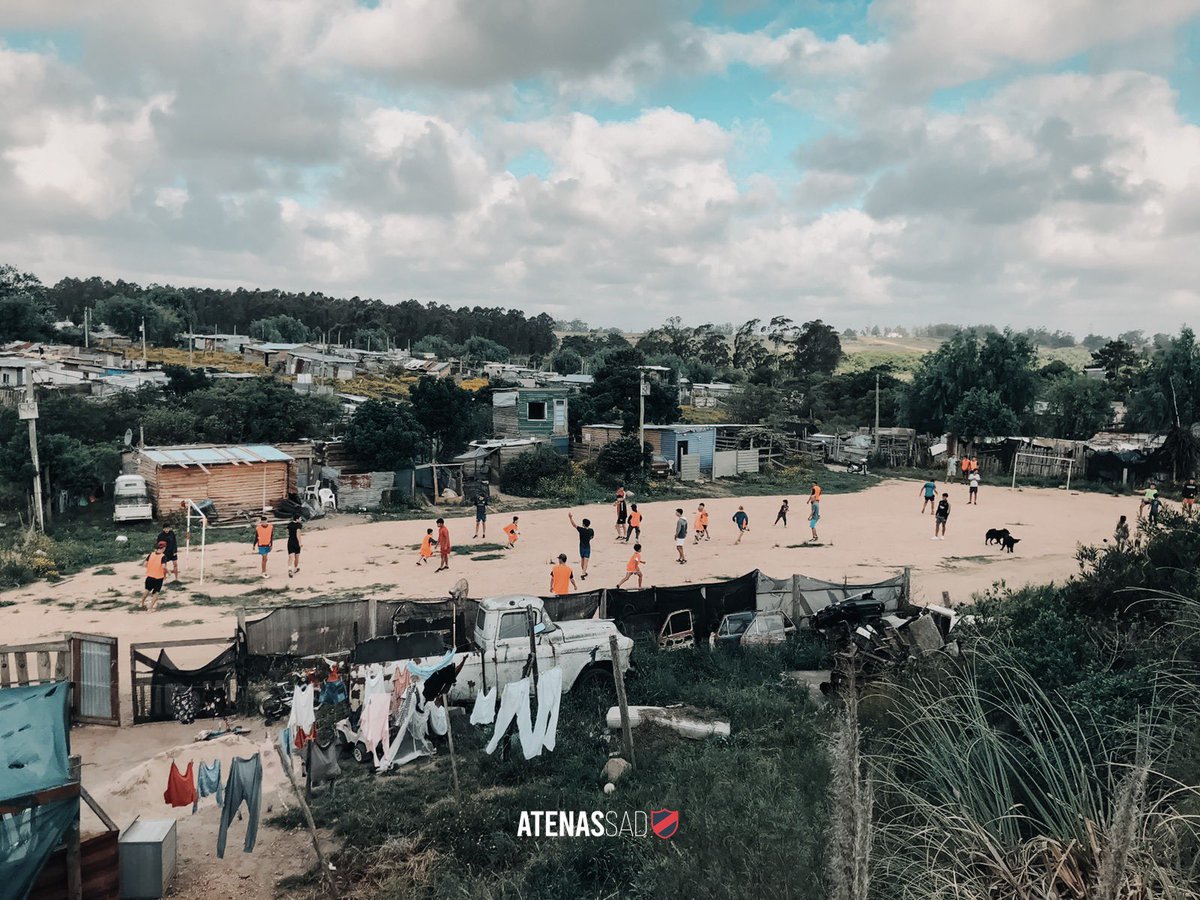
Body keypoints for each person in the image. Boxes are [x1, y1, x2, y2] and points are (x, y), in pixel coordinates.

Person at [140, 541, 168, 611]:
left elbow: (144, 564)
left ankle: (142, 603)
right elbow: (164, 567)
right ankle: (150, 608)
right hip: (158, 577)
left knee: (147, 591)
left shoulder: (151, 554)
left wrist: (151, 567)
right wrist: (168, 572)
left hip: (149, 576)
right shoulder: (163, 556)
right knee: (156, 593)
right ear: (164, 548)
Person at [568, 512, 594, 580]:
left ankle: (583, 572)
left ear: (583, 524)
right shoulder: (591, 530)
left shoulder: (581, 530)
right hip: (587, 546)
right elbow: (592, 537)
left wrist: (570, 518)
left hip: (581, 546)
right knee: (586, 560)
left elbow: (574, 525)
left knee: (582, 560)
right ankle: (583, 573)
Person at [286, 514, 302, 578]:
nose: (301, 519)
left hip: (290, 541)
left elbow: (287, 532)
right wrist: (300, 543)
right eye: (300, 518)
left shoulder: (289, 524)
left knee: (290, 556)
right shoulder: (299, 525)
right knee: (297, 557)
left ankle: (289, 568)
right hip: (296, 542)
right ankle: (295, 568)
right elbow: (298, 534)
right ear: (297, 519)